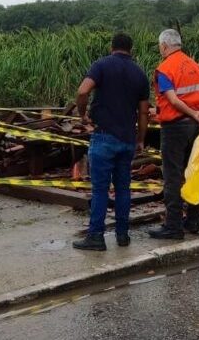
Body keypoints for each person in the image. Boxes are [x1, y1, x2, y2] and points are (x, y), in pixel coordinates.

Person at [72, 33, 150, 251]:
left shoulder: (101, 65)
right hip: (127, 140)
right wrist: (141, 139)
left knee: (100, 190)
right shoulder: (140, 74)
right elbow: (144, 112)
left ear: (111, 47)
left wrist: (82, 114)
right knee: (124, 189)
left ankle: (96, 236)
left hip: (104, 137)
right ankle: (123, 235)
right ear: (131, 49)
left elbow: (82, 91)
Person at [148, 29, 199, 240]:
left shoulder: (165, 68)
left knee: (172, 175)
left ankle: (173, 226)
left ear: (164, 46)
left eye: (160, 47)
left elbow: (173, 100)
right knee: (193, 172)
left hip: (175, 126)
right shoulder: (195, 65)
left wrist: (192, 112)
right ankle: (193, 221)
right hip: (195, 125)